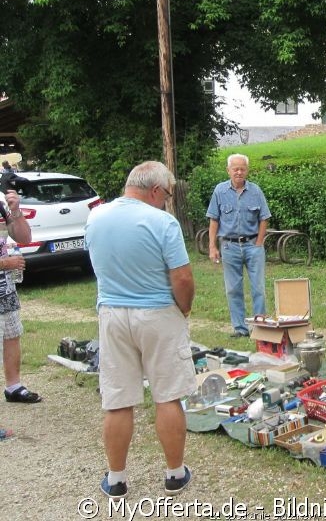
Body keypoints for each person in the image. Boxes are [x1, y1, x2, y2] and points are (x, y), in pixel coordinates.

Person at [85, 161, 196, 500]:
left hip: (113, 313)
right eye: (167, 195)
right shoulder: (162, 222)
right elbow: (182, 278)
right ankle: (174, 474)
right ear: (155, 191)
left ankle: (116, 479)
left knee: (118, 399)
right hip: (158, 312)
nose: (167, 201)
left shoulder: (95, 217)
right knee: (167, 395)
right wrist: (185, 307)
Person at [206, 154, 271, 337]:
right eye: (235, 169)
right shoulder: (219, 191)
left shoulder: (256, 191)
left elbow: (264, 218)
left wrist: (259, 242)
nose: (239, 172)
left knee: (258, 287)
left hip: (252, 246)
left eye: (242, 168)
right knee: (233, 289)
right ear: (228, 170)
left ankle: (260, 327)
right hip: (229, 246)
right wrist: (212, 247)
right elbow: (214, 220)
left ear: (247, 170)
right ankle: (240, 328)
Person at [0, 188, 40, 404]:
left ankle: (13, 387)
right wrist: (6, 263)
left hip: (5, 286)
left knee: (11, 334)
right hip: (5, 270)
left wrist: (15, 211)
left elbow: (24, 237)